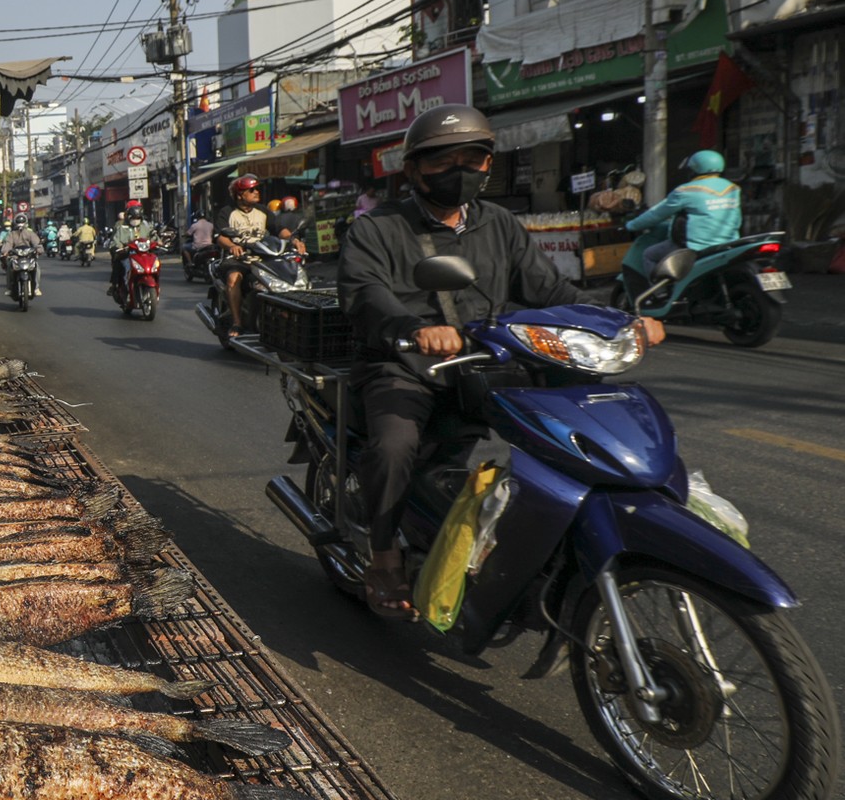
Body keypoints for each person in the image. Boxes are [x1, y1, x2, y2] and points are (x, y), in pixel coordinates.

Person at [337, 104, 663, 620]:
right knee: (394, 446)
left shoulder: (500, 225)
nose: (459, 170)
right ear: (415, 169)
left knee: (566, 429)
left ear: (488, 165)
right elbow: (365, 292)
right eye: (444, 161)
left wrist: (620, 320)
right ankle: (384, 559)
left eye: (472, 158)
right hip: (405, 365)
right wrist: (415, 329)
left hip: (488, 364)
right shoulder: (377, 229)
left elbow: (549, 290)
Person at [625, 149, 742, 275]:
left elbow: (656, 214)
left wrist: (631, 225)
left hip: (695, 248)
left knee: (649, 255)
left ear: (693, 169)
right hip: (729, 245)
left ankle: (660, 293)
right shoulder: (733, 188)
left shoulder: (687, 190)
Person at [214, 175, 302, 337]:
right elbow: (220, 236)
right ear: (240, 195)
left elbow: (279, 228)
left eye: (256, 189)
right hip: (238, 258)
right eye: (251, 190)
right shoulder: (227, 212)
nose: (256, 192)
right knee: (234, 278)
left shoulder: (262, 210)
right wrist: (232, 246)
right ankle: (237, 323)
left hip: (263, 256)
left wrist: (294, 240)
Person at [4, 215, 43, 298]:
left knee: (37, 268)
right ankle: (9, 288)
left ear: (25, 223)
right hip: (16, 256)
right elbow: (8, 244)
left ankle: (36, 288)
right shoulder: (12, 234)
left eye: (22, 222)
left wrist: (39, 250)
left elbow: (37, 243)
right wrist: (6, 251)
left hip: (29, 256)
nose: (20, 225)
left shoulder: (30, 233)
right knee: (9, 268)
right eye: (19, 222)